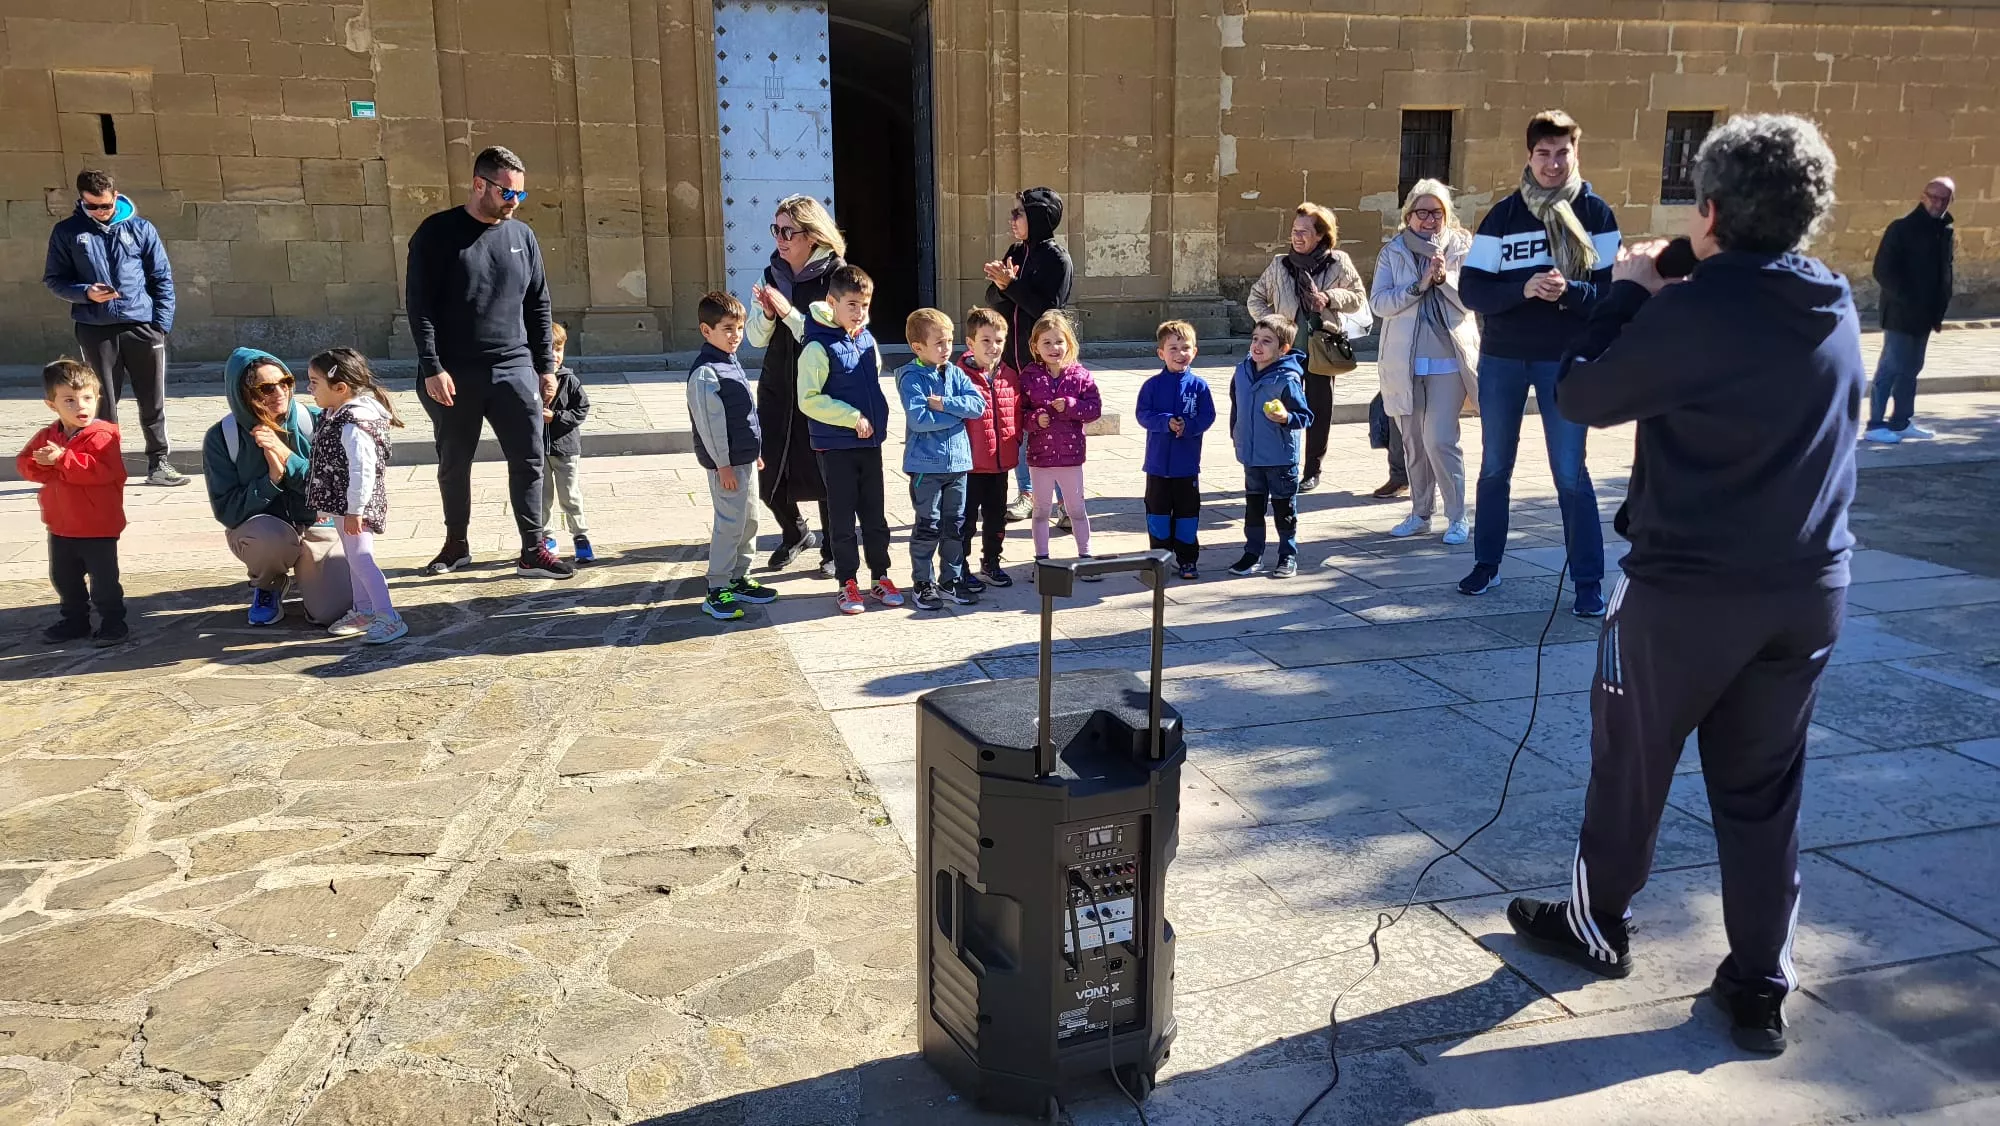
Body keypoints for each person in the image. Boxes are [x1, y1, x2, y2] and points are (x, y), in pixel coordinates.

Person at [1506, 114, 1860, 1057]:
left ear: (1708, 211)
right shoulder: (1831, 296)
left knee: (1633, 761)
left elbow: (1582, 395)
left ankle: (1596, 924)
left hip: (1687, 590)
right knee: (1763, 789)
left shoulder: (1692, 312)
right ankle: (1759, 982)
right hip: (1807, 586)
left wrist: (1627, 293)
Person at [1459, 109, 1620, 616]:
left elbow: (1612, 297)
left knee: (1570, 472)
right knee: (1495, 467)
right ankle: (1487, 564)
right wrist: (1521, 289)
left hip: (1564, 361)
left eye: (1562, 153)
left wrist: (1569, 291)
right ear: (1529, 157)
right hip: (1503, 358)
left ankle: (1588, 582)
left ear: (1576, 153)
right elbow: (1471, 289)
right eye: (1544, 153)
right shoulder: (1504, 215)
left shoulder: (1595, 214)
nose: (1553, 163)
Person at [405, 145, 573, 581]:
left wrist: (545, 367)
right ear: (479, 184)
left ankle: (533, 549)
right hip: (454, 371)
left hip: (514, 367)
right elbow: (419, 307)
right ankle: (455, 544)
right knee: (454, 460)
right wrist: (431, 366)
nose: (514, 202)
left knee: (530, 457)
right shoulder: (436, 233)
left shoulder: (523, 237)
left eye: (520, 194)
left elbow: (538, 304)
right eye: (507, 193)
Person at [42, 169, 185, 487]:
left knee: (152, 398)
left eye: (105, 205)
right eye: (92, 206)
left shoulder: (141, 228)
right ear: (81, 200)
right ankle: (105, 465)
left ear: (115, 197)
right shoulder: (67, 232)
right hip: (95, 328)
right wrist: (86, 293)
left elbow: (161, 277)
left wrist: (160, 325)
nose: (100, 212)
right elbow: (54, 279)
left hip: (142, 326)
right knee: (101, 400)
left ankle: (159, 463)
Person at [202, 348, 352, 627]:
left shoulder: (318, 421)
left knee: (332, 611)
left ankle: (311, 574)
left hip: (317, 523)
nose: (280, 392)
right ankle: (269, 584)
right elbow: (227, 511)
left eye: (285, 382)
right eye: (266, 388)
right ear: (243, 393)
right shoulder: (222, 437)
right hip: (264, 530)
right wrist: (270, 481)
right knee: (269, 541)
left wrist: (287, 458)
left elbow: (335, 488)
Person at [1371, 179, 1481, 546]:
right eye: (1422, 212)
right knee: (1414, 444)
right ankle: (1420, 514)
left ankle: (1457, 516)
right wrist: (1418, 286)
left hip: (1449, 359)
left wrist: (1444, 279)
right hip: (1405, 360)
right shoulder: (1392, 252)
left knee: (1439, 439)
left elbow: (1473, 299)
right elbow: (1380, 303)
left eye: (1437, 213)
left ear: (1447, 215)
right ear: (1408, 216)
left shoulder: (1462, 246)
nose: (1430, 219)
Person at [798, 265, 902, 615]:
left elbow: (871, 382)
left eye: (865, 305)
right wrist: (851, 417)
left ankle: (880, 576)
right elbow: (808, 399)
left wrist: (876, 418)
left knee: (875, 516)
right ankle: (847, 582)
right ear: (832, 303)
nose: (859, 312)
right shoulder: (817, 346)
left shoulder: (866, 340)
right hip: (837, 446)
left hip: (869, 445)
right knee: (841, 519)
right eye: (852, 304)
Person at [1246, 202, 1368, 493]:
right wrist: (1272, 327)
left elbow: (1358, 298)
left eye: (1304, 231)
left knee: (1318, 410)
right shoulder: (1280, 264)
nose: (1297, 237)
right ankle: (1278, 465)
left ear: (1321, 235)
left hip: (1321, 348)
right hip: (1285, 351)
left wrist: (1329, 297)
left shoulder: (1338, 262)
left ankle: (1312, 469)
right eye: (1294, 231)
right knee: (1280, 407)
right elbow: (1255, 298)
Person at [750, 195, 840, 574]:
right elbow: (755, 338)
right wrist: (768, 316)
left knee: (825, 470)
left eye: (788, 231)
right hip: (777, 383)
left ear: (812, 235)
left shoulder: (836, 276)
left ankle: (834, 548)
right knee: (767, 467)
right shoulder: (771, 274)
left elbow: (828, 336)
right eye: (776, 229)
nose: (780, 239)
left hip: (822, 386)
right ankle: (795, 532)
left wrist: (787, 312)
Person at [18, 359, 127, 646]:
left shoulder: (103, 436)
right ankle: (75, 620)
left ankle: (114, 622)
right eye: (69, 400)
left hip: (98, 526)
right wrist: (42, 464)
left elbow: (103, 472)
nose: (81, 406)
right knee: (64, 579)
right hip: (61, 525)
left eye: (87, 398)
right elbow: (25, 463)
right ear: (51, 404)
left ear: (98, 398)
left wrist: (62, 460)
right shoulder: (48, 436)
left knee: (104, 582)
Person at [304, 349, 408, 645]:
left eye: (314, 382)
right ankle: (364, 610)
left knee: (362, 558)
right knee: (353, 557)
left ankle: (388, 616)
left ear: (340, 388)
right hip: (343, 504)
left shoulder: (353, 424)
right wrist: (328, 506)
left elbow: (363, 470)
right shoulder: (334, 414)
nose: (309, 389)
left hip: (356, 506)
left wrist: (355, 510)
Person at [688, 292, 780, 622]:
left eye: (739, 328)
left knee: (749, 520)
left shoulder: (730, 362)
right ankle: (717, 587)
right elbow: (711, 426)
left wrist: (754, 453)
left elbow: (744, 416)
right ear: (706, 330)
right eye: (727, 328)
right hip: (725, 465)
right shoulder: (706, 372)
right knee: (729, 524)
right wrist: (723, 464)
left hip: (743, 460)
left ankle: (739, 576)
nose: (736, 335)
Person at [985, 188, 1075, 525]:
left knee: (1054, 430)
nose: (1012, 220)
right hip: (1014, 358)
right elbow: (994, 297)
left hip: (1044, 361)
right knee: (1021, 428)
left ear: (1037, 217)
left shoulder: (1057, 259)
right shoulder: (1015, 252)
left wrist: (1011, 287)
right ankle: (1028, 494)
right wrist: (1002, 285)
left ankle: (1066, 502)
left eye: (1019, 213)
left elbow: (1046, 309)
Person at [898, 308, 987, 611]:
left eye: (949, 341)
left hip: (959, 464)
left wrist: (945, 404)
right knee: (928, 525)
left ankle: (952, 578)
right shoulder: (911, 378)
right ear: (918, 347)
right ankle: (923, 582)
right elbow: (920, 419)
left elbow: (977, 406)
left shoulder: (956, 372)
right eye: (938, 343)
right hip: (926, 466)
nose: (946, 348)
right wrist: (958, 416)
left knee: (955, 525)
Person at [1863, 176, 1956, 443]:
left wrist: (1939, 306)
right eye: (1933, 197)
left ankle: (1901, 421)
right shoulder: (1901, 228)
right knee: (1891, 367)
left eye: (1944, 199)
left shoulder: (1945, 232)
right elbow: (1883, 270)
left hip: (1926, 314)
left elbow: (1944, 272)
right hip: (1900, 312)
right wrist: (1907, 299)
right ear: (1922, 196)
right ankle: (1875, 424)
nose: (1937, 203)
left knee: (1912, 368)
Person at [1226, 315, 1313, 579]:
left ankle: (1288, 554)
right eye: (1255, 339)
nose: (1257, 345)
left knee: (1284, 509)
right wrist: (1236, 434)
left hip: (1280, 457)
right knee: (1253, 508)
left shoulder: (1288, 379)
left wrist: (1286, 417)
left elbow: (1305, 417)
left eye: (1266, 341)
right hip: (1251, 455)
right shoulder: (1242, 372)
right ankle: (1253, 552)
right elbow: (1236, 405)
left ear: (1283, 349)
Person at [1020, 311, 1103, 575]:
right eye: (1046, 342)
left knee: (1076, 509)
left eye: (1059, 341)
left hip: (1071, 457)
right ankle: (1041, 559)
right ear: (1035, 346)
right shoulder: (1029, 377)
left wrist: (1071, 406)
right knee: (1041, 511)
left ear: (1069, 343)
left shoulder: (1080, 375)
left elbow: (1094, 409)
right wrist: (1035, 419)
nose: (1053, 348)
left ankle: (1085, 556)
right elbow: (1019, 413)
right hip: (1040, 458)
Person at [1136, 320, 1216, 579]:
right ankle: (1159, 560)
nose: (1180, 354)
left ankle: (1187, 559)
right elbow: (1143, 414)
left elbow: (1207, 416)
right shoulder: (1152, 386)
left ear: (1195, 351)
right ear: (1161, 353)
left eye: (1185, 348)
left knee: (1187, 517)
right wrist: (1165, 422)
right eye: (1173, 348)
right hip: (1157, 466)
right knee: (1158, 517)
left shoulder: (1199, 386)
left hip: (1186, 467)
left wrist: (1189, 427)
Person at [957, 306, 1020, 589]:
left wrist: (1015, 441)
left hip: (1000, 463)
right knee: (966, 520)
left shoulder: (1010, 376)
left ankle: (991, 562)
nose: (993, 347)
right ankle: (959, 566)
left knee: (996, 518)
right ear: (970, 343)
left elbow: (1016, 412)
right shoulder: (958, 376)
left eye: (999, 341)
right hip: (970, 465)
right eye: (985, 340)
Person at [538, 322, 595, 564]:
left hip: (565, 449)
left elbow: (581, 409)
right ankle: (546, 537)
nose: (554, 355)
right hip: (539, 450)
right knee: (542, 497)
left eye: (559, 349)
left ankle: (580, 535)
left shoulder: (570, 381)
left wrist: (556, 417)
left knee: (570, 495)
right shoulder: (532, 379)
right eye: (548, 350)